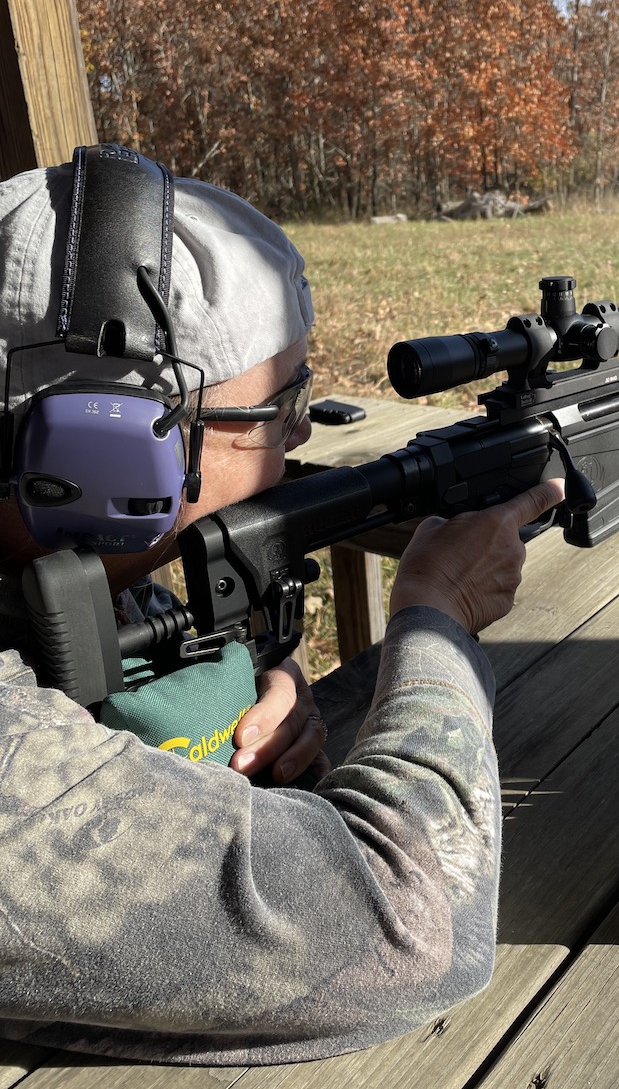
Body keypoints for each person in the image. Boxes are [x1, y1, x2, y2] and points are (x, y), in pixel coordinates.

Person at [0, 150, 564, 1065]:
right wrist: (437, 616)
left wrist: (219, 694)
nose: (303, 432)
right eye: (281, 405)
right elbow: (405, 927)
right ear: (106, 453)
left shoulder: (54, 553)